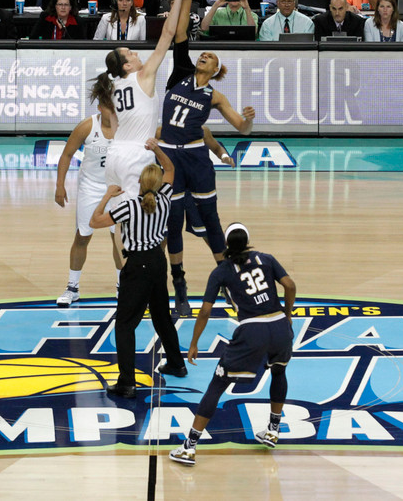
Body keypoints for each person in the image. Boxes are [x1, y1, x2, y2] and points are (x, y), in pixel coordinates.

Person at [169, 222, 296, 465]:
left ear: (226, 244)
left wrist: (194, 342)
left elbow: (205, 311)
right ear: (247, 241)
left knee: (218, 383)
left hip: (252, 330)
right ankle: (273, 430)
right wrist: (287, 314)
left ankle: (189, 447)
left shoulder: (221, 271)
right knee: (279, 371)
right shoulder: (266, 259)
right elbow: (289, 285)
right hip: (279, 326)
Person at [159, 5, 256, 315]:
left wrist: (248, 119)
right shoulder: (181, 73)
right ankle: (180, 286)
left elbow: (241, 127)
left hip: (196, 159)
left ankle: (228, 283)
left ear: (215, 70)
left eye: (210, 56)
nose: (204, 55)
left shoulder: (215, 96)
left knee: (212, 221)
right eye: (203, 53)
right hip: (169, 157)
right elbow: (180, 33)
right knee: (173, 223)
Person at [88, 0, 199, 210]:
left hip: (114, 154)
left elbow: (114, 128)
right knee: (138, 213)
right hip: (137, 154)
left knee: (118, 217)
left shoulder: (112, 87)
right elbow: (167, 34)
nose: (136, 53)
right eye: (131, 54)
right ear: (126, 66)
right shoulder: (142, 77)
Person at [89, 140, 188, 398]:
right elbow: (170, 168)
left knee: (124, 324)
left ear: (140, 183)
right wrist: (156, 149)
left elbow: (95, 221)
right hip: (157, 261)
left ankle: (127, 383)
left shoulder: (129, 206)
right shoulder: (165, 199)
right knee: (161, 316)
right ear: (159, 184)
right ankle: (177, 363)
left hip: (137, 266)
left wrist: (107, 196)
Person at [53, 109, 122, 306]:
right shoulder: (87, 126)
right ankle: (72, 288)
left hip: (118, 187)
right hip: (90, 187)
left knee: (118, 238)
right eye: (108, 105)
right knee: (82, 236)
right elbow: (67, 154)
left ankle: (123, 286)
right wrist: (60, 185)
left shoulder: (127, 125)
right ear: (100, 107)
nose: (112, 110)